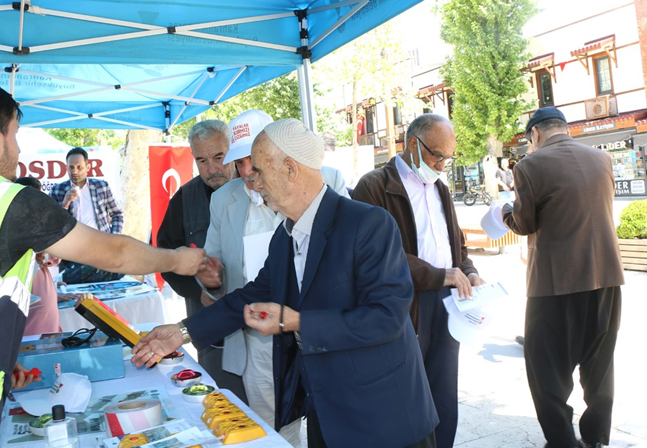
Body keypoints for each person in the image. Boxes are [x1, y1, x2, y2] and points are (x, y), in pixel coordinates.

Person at [0, 76, 205, 448]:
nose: (17, 150)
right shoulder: (5, 200)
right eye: (15, 135)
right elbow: (114, 253)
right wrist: (178, 259)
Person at [133, 119, 439, 448]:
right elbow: (249, 297)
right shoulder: (285, 235)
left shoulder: (368, 224)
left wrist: (297, 322)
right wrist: (181, 332)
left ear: (290, 170)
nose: (251, 179)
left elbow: (386, 317)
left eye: (259, 170)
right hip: (328, 414)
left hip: (384, 418)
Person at [197, 110, 349, 447]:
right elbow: (217, 271)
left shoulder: (328, 180)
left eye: (255, 161)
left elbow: (346, 259)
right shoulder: (225, 199)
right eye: (240, 162)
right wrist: (211, 279)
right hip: (261, 344)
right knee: (276, 431)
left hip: (319, 333)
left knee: (334, 425)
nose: (249, 173)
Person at [353, 113, 483, 448]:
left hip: (447, 301)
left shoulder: (440, 188)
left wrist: (467, 270)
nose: (442, 165)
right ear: (413, 144)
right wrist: (441, 275)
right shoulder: (374, 186)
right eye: (437, 155)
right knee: (405, 395)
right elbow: (378, 255)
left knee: (443, 392)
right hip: (405, 304)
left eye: (448, 157)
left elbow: (455, 243)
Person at [502, 107, 624, 448]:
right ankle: (596, 439)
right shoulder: (601, 160)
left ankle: (562, 442)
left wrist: (504, 212)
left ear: (535, 135)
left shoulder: (529, 165)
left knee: (545, 370)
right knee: (600, 366)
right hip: (606, 277)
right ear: (563, 129)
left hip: (555, 283)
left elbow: (524, 224)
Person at [155, 119, 247, 402]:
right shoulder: (184, 199)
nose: (212, 169)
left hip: (259, 322)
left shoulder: (254, 188)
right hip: (209, 324)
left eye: (219, 157)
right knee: (224, 401)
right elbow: (165, 256)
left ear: (232, 151)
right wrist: (198, 293)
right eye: (202, 160)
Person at [49, 147, 126, 284]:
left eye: (79, 167)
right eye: (71, 167)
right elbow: (52, 224)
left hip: (102, 248)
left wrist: (114, 237)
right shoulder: (58, 190)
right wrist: (65, 203)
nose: (75, 172)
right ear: (66, 167)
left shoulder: (101, 186)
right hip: (71, 251)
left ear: (88, 167)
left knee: (102, 291)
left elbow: (117, 214)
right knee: (74, 294)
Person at [15, 177, 77, 336]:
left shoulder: (36, 225)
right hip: (31, 329)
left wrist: (54, 294)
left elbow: (52, 256)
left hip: (47, 322)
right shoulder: (16, 229)